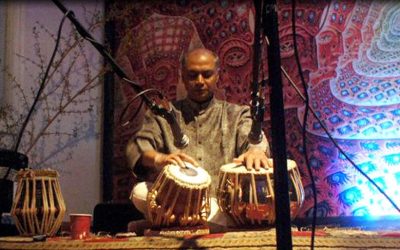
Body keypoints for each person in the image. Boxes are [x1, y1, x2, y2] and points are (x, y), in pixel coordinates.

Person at [126, 48, 271, 233]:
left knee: (239, 206)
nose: (200, 82)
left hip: (221, 205)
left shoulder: (236, 114)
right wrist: (158, 158)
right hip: (177, 201)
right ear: (183, 77)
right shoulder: (164, 115)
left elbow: (254, 139)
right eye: (193, 75)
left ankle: (170, 222)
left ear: (217, 76)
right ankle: (201, 222)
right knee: (140, 192)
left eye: (207, 75)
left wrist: (256, 150)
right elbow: (137, 148)